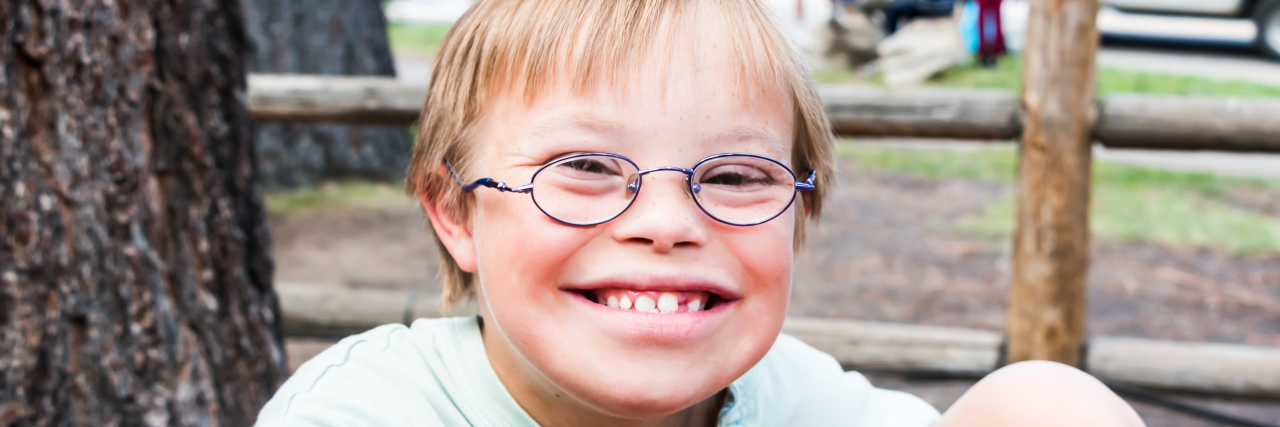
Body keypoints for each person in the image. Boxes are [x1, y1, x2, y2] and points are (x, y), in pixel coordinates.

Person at [255, 1, 1147, 426]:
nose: (666, 220)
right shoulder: (369, 410)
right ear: (454, 211)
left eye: (736, 176)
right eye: (587, 166)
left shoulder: (797, 403)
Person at [976, 0, 1006, 66]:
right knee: (984, 29)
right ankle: (985, 55)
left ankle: (992, 55)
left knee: (993, 29)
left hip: (993, 7)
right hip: (985, 7)